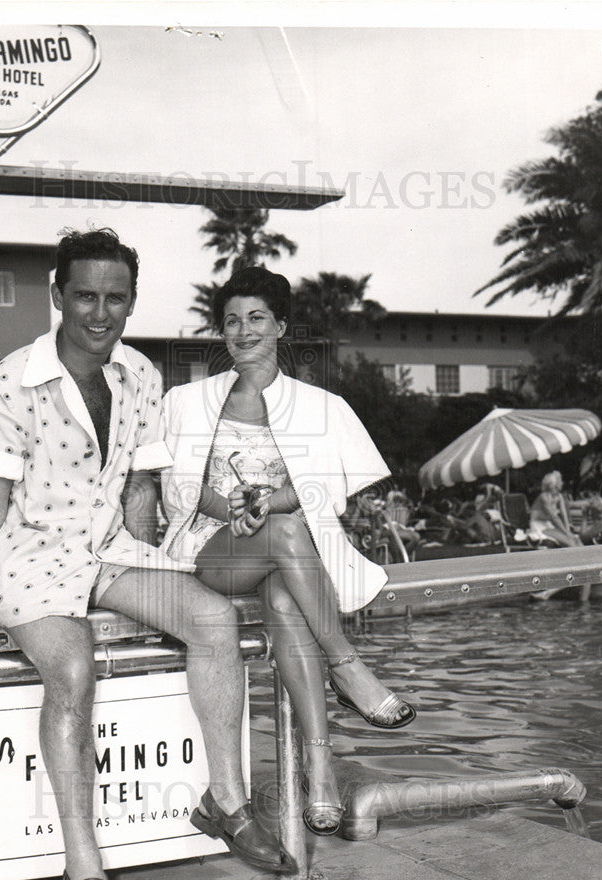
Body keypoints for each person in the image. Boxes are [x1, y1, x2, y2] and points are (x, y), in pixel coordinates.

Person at [0, 230, 295, 880]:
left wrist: (147, 575)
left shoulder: (140, 375)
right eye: (85, 295)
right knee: (73, 667)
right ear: (57, 296)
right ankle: (84, 874)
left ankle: (227, 801)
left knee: (212, 620)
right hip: (26, 562)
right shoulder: (7, 384)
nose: (99, 311)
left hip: (106, 551)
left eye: (115, 297)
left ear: (129, 302)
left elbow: (140, 485)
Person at [160, 266, 416, 837]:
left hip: (288, 558)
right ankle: (348, 667)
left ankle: (320, 771)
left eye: (256, 318)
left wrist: (271, 500)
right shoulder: (187, 401)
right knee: (287, 535)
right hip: (212, 547)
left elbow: (327, 484)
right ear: (221, 333)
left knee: (283, 600)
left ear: (280, 325)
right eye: (231, 321)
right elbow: (173, 486)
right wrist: (234, 510)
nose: (243, 331)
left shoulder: (318, 405)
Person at [529, 471, 580, 547]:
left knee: (576, 539)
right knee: (569, 541)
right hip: (539, 526)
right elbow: (554, 517)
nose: (562, 483)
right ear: (553, 484)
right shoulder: (544, 497)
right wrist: (566, 532)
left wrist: (568, 530)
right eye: (560, 481)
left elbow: (564, 515)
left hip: (548, 524)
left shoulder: (559, 496)